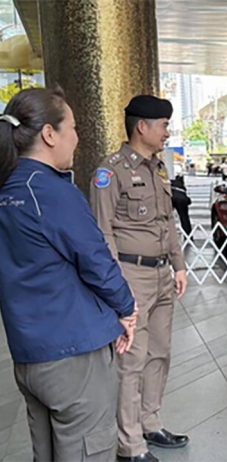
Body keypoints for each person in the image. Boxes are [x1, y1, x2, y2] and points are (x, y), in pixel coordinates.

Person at [0, 87, 137, 461]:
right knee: (89, 450)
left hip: (29, 354)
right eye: (73, 127)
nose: (77, 137)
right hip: (74, 355)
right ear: (49, 134)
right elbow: (96, 261)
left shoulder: (7, 189)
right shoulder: (51, 191)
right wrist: (127, 309)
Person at [90, 95, 189, 462]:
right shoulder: (110, 171)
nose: (167, 132)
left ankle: (151, 422)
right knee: (131, 360)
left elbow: (168, 221)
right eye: (163, 125)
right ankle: (130, 445)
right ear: (142, 127)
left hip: (162, 273)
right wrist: (117, 287)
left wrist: (179, 265)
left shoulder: (157, 168)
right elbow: (103, 233)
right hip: (131, 276)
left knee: (159, 353)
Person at [171, 173, 193, 237]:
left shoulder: (168, 181)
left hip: (171, 197)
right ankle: (188, 236)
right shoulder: (180, 185)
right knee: (184, 218)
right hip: (182, 199)